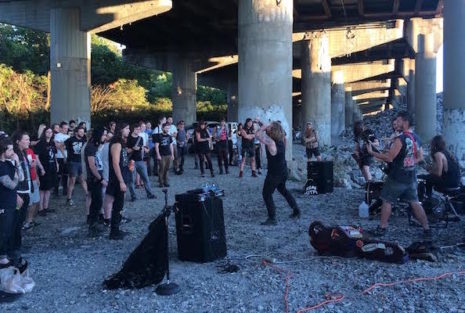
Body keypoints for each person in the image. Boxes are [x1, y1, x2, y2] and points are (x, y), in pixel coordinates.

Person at [366, 111, 431, 240]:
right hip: (411, 176)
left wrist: (372, 152)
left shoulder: (400, 139)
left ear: (405, 122)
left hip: (397, 177)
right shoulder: (416, 138)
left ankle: (382, 227)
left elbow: (389, 158)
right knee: (415, 202)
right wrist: (409, 162)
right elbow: (420, 157)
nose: (397, 123)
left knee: (386, 200)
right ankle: (426, 228)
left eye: (399, 120)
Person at [255, 120, 300, 225]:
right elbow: (267, 128)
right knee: (283, 190)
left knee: (266, 194)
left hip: (274, 173)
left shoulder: (271, 142)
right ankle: (296, 210)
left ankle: (272, 218)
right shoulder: (281, 139)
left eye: (269, 127)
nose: (267, 127)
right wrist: (260, 122)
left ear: (272, 131)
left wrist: (261, 128)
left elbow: (257, 135)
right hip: (283, 170)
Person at [0, 137, 26, 270]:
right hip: (3, 204)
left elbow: (21, 177)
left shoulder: (10, 163)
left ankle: (8, 253)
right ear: (3, 151)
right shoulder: (1, 166)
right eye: (9, 149)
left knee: (11, 229)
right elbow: (11, 184)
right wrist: (16, 174)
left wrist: (17, 163)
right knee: (3, 231)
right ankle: (2, 256)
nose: (12, 152)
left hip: (12, 202)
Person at [106, 123, 131, 240]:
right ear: (121, 130)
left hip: (123, 176)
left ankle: (116, 229)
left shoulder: (121, 143)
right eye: (127, 128)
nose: (129, 131)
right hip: (117, 179)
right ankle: (114, 231)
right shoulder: (116, 144)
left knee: (119, 205)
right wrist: (121, 181)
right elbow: (115, 163)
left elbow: (122, 161)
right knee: (117, 205)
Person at [84, 128, 107, 236]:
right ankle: (92, 224)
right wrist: (100, 179)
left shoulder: (96, 146)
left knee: (98, 201)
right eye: (103, 135)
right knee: (96, 202)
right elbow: (92, 166)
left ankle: (95, 222)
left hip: (98, 177)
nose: (105, 137)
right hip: (94, 179)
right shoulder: (90, 147)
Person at [127, 123, 155, 200]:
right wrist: (133, 148)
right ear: (133, 129)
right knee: (131, 179)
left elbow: (142, 148)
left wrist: (143, 150)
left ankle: (150, 194)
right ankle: (133, 196)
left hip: (140, 161)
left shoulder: (140, 138)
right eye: (137, 129)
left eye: (139, 129)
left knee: (145, 178)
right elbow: (126, 151)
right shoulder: (128, 139)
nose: (139, 130)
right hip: (131, 161)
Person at [34, 127, 58, 216]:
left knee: (48, 188)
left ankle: (46, 207)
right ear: (44, 133)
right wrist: (41, 168)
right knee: (42, 189)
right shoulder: (40, 144)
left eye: (51, 132)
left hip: (52, 167)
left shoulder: (52, 143)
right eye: (47, 132)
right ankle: (40, 209)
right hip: (44, 168)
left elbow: (54, 154)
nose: (49, 134)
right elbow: (36, 157)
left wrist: (57, 164)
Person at [23, 144, 45, 230]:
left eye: (28, 140)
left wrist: (37, 177)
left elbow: (34, 165)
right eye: (26, 140)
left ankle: (30, 220)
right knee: (29, 202)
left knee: (36, 200)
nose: (28, 142)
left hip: (33, 178)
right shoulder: (17, 152)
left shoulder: (30, 150)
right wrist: (29, 166)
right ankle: (26, 222)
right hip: (25, 180)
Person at [65, 126, 87, 206]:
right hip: (73, 162)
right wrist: (65, 155)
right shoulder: (70, 140)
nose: (82, 133)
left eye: (83, 132)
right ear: (76, 132)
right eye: (80, 132)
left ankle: (87, 195)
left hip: (81, 162)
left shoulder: (84, 140)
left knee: (82, 179)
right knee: (72, 180)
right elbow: (61, 146)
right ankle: (69, 198)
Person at [54, 121, 70, 196]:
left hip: (67, 156)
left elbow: (67, 146)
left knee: (66, 174)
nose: (66, 130)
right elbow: (58, 146)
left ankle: (65, 190)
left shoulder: (68, 136)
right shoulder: (58, 135)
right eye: (64, 128)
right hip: (60, 157)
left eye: (67, 128)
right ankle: (56, 190)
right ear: (60, 128)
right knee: (59, 174)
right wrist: (64, 155)